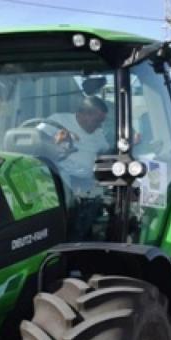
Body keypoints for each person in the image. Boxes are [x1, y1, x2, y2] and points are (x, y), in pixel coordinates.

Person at [44, 96, 111, 240]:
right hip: (60, 179)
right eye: (97, 121)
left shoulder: (98, 134)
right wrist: (54, 141)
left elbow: (106, 151)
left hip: (86, 184)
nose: (99, 126)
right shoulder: (58, 121)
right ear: (84, 114)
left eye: (102, 122)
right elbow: (36, 139)